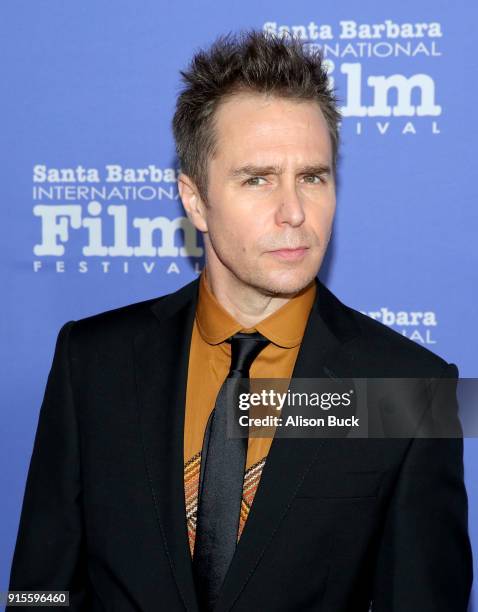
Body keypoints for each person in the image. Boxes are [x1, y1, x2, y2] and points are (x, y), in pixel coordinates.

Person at [8, 30, 472, 611]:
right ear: (195, 200)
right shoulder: (92, 360)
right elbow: (39, 590)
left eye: (313, 176)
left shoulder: (409, 388)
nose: (294, 212)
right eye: (257, 179)